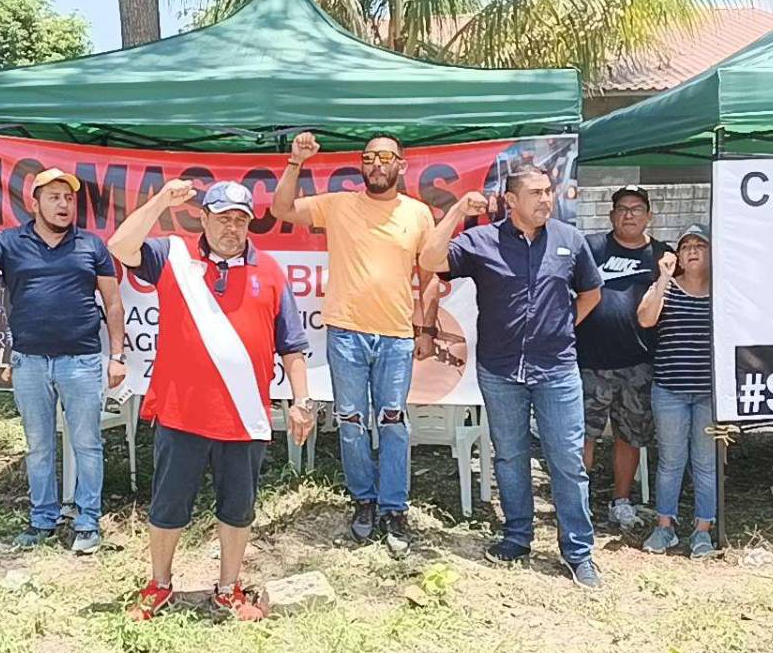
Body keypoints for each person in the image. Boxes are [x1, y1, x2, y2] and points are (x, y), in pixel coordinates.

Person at [108, 179, 312, 621]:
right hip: (181, 413)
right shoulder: (174, 257)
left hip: (245, 417)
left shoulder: (272, 272)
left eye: (241, 219)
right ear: (203, 218)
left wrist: (302, 401)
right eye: (223, 217)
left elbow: (293, 346)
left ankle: (228, 588)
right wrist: (161, 199)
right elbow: (121, 245)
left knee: (238, 510)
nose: (232, 227)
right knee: (168, 507)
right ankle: (160, 585)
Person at [419, 165, 604, 589]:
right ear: (511, 201)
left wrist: (562, 327)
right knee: (510, 458)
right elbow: (429, 260)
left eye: (549, 191)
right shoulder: (481, 241)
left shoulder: (569, 240)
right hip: (501, 370)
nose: (546, 199)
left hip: (556, 369)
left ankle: (578, 553)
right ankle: (517, 537)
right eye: (536, 193)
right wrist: (456, 212)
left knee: (568, 462)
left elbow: (592, 292)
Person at [0, 168, 126, 555]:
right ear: (34, 203)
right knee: (38, 445)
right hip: (30, 363)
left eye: (69, 198)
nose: (64, 204)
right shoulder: (9, 243)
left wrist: (118, 355)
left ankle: (88, 522)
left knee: (88, 444)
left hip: (82, 361)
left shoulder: (92, 245)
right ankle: (42, 520)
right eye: (54, 197)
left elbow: (114, 302)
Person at [270, 131, 436, 556]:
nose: (377, 164)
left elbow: (431, 273)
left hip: (397, 336)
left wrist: (428, 328)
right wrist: (295, 162)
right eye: (368, 157)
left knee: (394, 424)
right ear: (361, 165)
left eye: (386, 157)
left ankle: (394, 508)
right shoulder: (339, 204)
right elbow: (281, 208)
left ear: (401, 165)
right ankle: (363, 500)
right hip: (345, 333)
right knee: (349, 421)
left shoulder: (418, 214)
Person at [575, 185, 674, 529]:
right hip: (589, 361)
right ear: (611, 214)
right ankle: (579, 503)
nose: (629, 214)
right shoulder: (591, 248)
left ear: (649, 215)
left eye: (636, 208)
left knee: (629, 436)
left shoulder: (663, 256)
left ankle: (621, 501)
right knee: (583, 435)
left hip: (639, 364)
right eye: (622, 208)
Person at [638, 224, 716, 559]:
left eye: (701, 245)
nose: (693, 250)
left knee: (706, 462)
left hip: (709, 393)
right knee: (671, 461)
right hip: (670, 389)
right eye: (686, 246)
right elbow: (645, 319)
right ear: (678, 255)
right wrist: (663, 278)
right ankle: (665, 527)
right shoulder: (667, 288)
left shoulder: (723, 292)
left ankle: (703, 532)